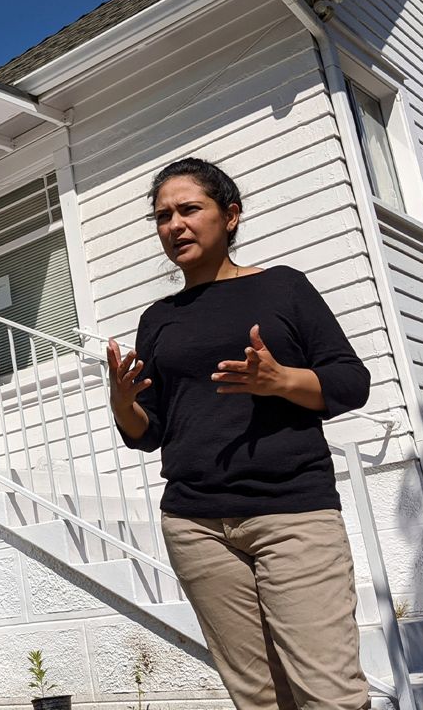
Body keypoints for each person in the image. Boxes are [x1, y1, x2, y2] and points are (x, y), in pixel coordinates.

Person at [107, 158, 371, 710]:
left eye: (188, 209)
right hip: (195, 523)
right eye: (162, 217)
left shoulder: (283, 288)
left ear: (230, 216)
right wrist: (122, 403)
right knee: (257, 698)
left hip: (292, 512)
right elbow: (148, 432)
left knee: (329, 693)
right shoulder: (158, 318)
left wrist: (280, 380)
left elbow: (351, 381)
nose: (174, 225)